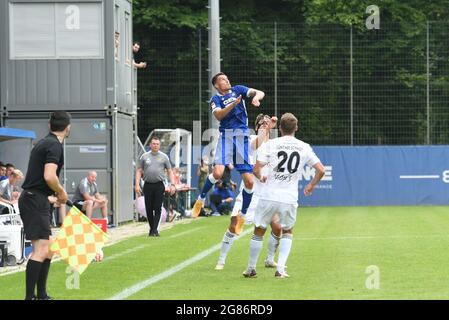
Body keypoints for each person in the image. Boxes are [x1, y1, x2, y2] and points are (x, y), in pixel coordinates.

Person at [243, 113, 325, 278]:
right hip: (289, 197)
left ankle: (251, 268)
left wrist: (261, 177)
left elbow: (256, 168)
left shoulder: (271, 144)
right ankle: (280, 269)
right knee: (287, 231)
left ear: (280, 128)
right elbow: (321, 170)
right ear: (296, 128)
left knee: (259, 230)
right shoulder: (304, 146)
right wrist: (311, 185)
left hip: (268, 194)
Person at [191, 72, 265, 228]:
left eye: (227, 78)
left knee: (249, 182)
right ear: (217, 85)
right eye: (223, 80)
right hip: (226, 137)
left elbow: (259, 92)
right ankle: (202, 198)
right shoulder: (216, 99)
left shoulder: (238, 90)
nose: (227, 80)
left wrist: (256, 97)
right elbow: (218, 115)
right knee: (217, 173)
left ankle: (242, 215)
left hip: (242, 138)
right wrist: (233, 104)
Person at [215, 114, 281, 270]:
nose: (265, 125)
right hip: (250, 192)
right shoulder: (251, 140)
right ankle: (221, 259)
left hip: (268, 194)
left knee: (278, 227)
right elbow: (257, 145)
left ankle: (270, 259)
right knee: (234, 224)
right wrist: (267, 127)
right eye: (262, 123)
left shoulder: (275, 145)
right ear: (256, 126)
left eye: (267, 123)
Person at [19, 111, 71, 300]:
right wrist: (62, 192)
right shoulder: (54, 145)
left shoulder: (45, 142)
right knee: (40, 250)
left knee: (48, 249)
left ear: (50, 126)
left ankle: (41, 295)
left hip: (37, 198)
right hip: (33, 200)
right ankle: (30, 297)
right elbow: (49, 176)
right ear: (68, 128)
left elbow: (37, 179)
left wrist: (49, 197)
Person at [135, 137, 176, 237]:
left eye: (157, 144)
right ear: (150, 145)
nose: (155, 145)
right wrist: (136, 185)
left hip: (159, 185)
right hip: (147, 184)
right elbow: (139, 171)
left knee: (157, 207)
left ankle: (155, 230)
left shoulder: (164, 157)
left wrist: (173, 184)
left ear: (159, 145)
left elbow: (170, 171)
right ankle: (152, 228)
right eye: (153, 144)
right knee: (148, 208)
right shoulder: (144, 156)